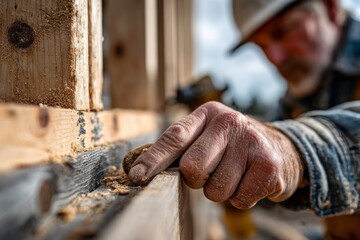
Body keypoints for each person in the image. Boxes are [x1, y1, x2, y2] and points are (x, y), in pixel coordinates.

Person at [128, 0, 360, 238]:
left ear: (331, 8)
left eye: (284, 31)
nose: (275, 58)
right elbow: (265, 177)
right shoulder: (300, 99)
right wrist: (227, 143)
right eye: (260, 46)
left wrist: (289, 150)